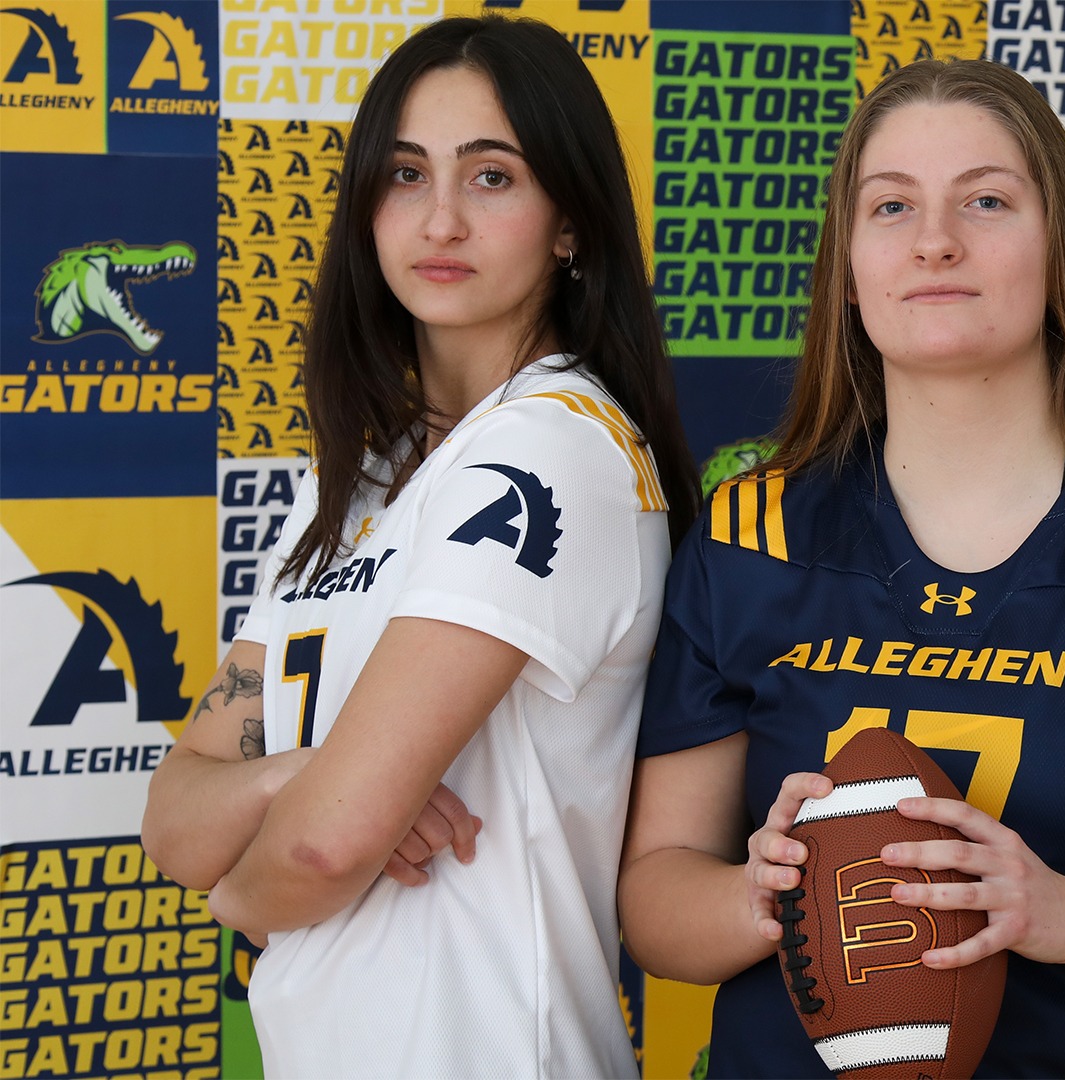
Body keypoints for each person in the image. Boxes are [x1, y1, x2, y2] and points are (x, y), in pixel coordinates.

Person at [617, 58, 1065, 1077]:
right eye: (892, 206)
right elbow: (655, 898)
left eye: (986, 201)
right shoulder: (751, 535)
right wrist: (758, 893)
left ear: (1061, 247)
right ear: (849, 262)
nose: (935, 241)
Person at [141, 15, 696, 1077]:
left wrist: (235, 887)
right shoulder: (357, 481)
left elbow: (323, 847)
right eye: (404, 174)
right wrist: (286, 781)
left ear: (568, 220)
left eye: (491, 177)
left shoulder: (551, 447)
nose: (439, 218)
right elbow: (176, 807)